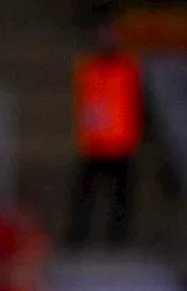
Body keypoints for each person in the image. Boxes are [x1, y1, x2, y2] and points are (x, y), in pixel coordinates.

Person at [65, 21, 140, 251]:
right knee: (84, 193)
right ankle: (78, 236)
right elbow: (84, 103)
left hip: (121, 144)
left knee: (121, 197)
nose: (106, 40)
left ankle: (117, 238)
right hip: (94, 144)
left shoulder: (128, 68)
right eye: (102, 35)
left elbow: (134, 104)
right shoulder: (86, 68)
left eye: (110, 36)